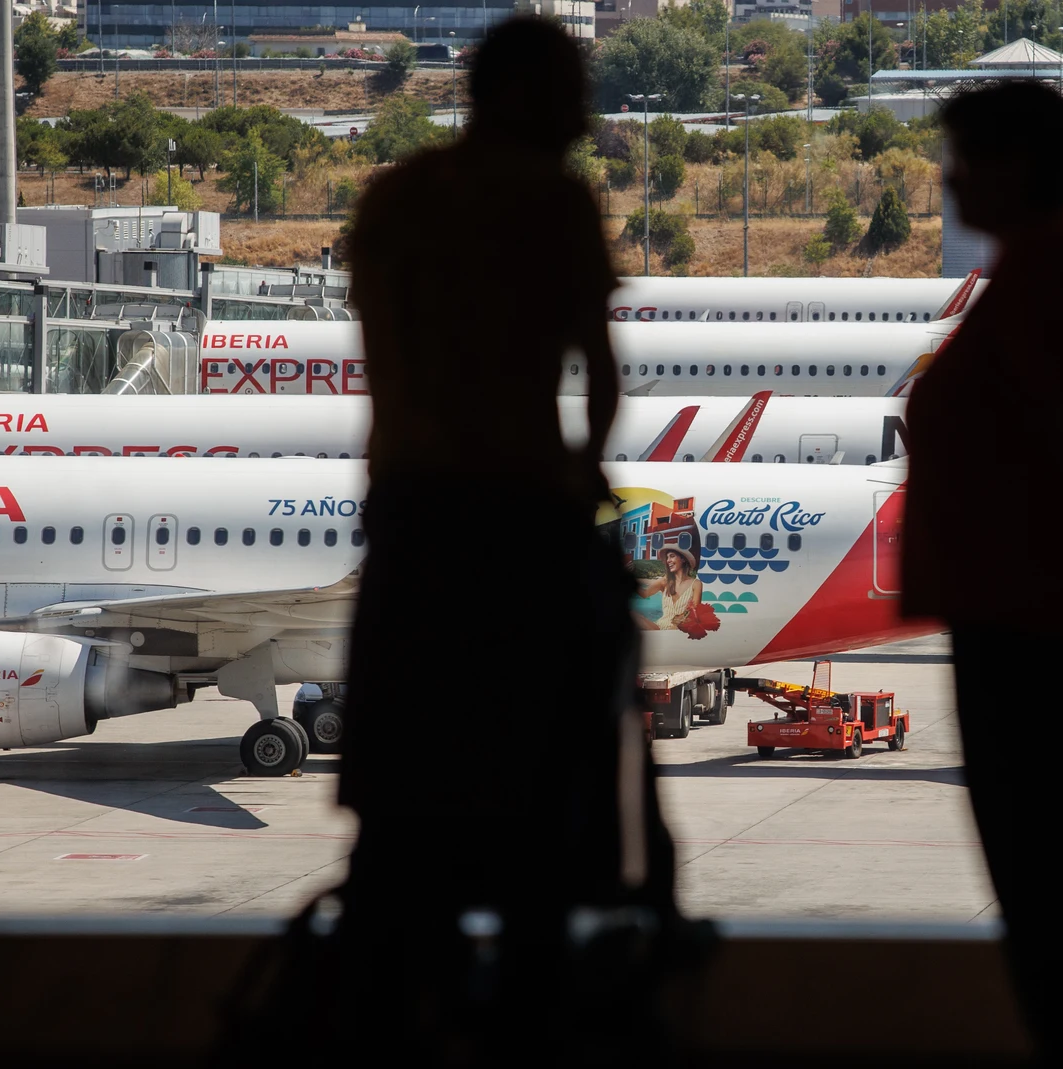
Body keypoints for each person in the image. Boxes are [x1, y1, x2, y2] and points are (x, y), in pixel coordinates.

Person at [339, 17, 679, 1064]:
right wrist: (584, 474)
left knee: (405, 795)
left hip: (408, 515)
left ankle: (389, 1008)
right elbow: (603, 367)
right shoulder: (551, 199)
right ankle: (545, 1008)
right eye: (574, 89)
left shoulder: (392, 200)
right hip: (524, 515)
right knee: (551, 783)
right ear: (526, 96)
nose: (587, 113)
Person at [901, 83, 1063, 1068]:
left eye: (962, 156)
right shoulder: (1037, 273)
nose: (947, 176)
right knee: (1055, 880)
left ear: (1013, 165)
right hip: (1030, 618)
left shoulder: (1048, 277)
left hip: (1037, 632)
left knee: (1047, 885)